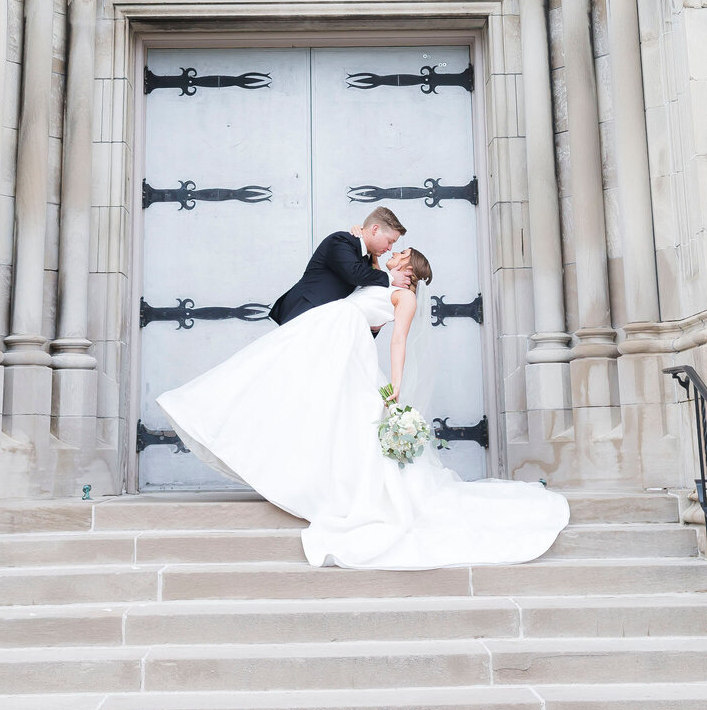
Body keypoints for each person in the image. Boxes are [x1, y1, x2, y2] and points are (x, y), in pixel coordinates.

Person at [157, 242, 570, 571]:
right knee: (272, 388)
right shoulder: (376, 282)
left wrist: (394, 389)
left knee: (348, 426)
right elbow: (359, 260)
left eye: (401, 255)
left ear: (410, 271)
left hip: (346, 361)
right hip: (326, 350)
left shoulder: (403, 298)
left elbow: (397, 342)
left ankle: (343, 494)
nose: (394, 253)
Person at [269, 207, 405, 326]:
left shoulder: (367, 260)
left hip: (324, 323)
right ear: (375, 229)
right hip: (303, 311)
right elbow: (354, 273)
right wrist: (391, 277)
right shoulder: (341, 241)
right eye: (389, 241)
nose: (390, 248)